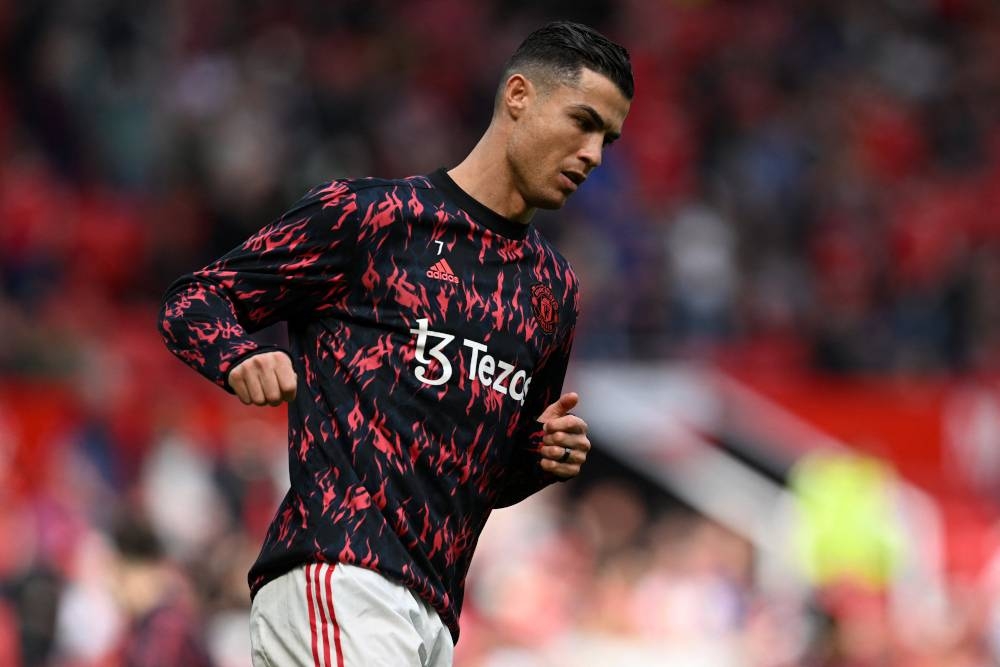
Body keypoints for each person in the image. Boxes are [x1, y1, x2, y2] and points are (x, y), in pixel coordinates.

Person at [159, 20, 632, 666]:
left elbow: (486, 474)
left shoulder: (553, 292)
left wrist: (540, 457)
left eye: (607, 138)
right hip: (341, 572)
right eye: (583, 122)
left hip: (435, 614)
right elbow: (194, 301)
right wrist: (238, 354)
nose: (594, 154)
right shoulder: (373, 220)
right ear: (519, 96)